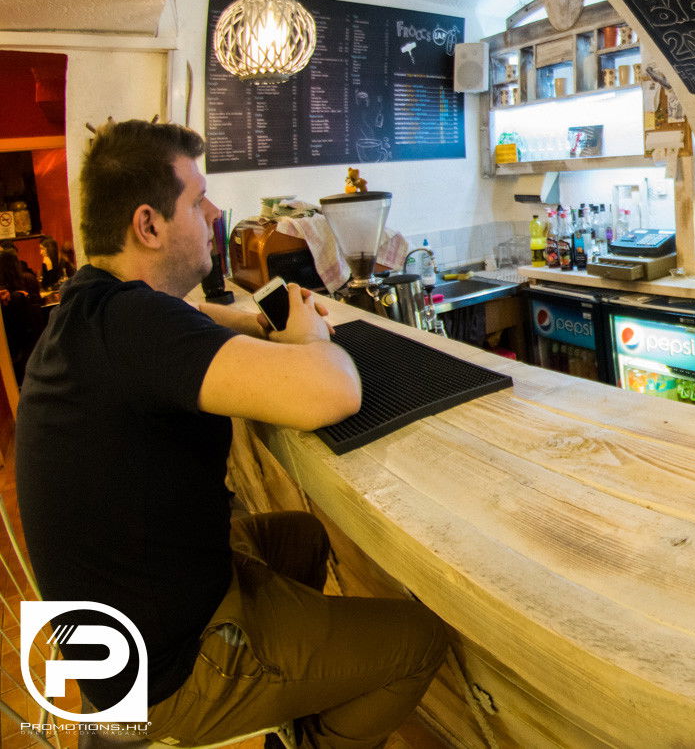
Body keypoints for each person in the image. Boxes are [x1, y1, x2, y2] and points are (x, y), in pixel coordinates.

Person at [16, 119, 447, 748]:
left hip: (123, 632)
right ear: (148, 225)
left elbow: (193, 317)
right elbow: (334, 392)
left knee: (301, 537)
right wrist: (309, 340)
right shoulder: (135, 327)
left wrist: (262, 325)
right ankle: (289, 708)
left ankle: (294, 692)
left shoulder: (95, 304)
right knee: (418, 641)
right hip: (163, 675)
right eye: (197, 200)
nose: (216, 213)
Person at [1, 247, 45, 383]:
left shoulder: (6, 297)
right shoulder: (17, 297)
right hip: (27, 357)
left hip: (12, 358)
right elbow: (32, 329)